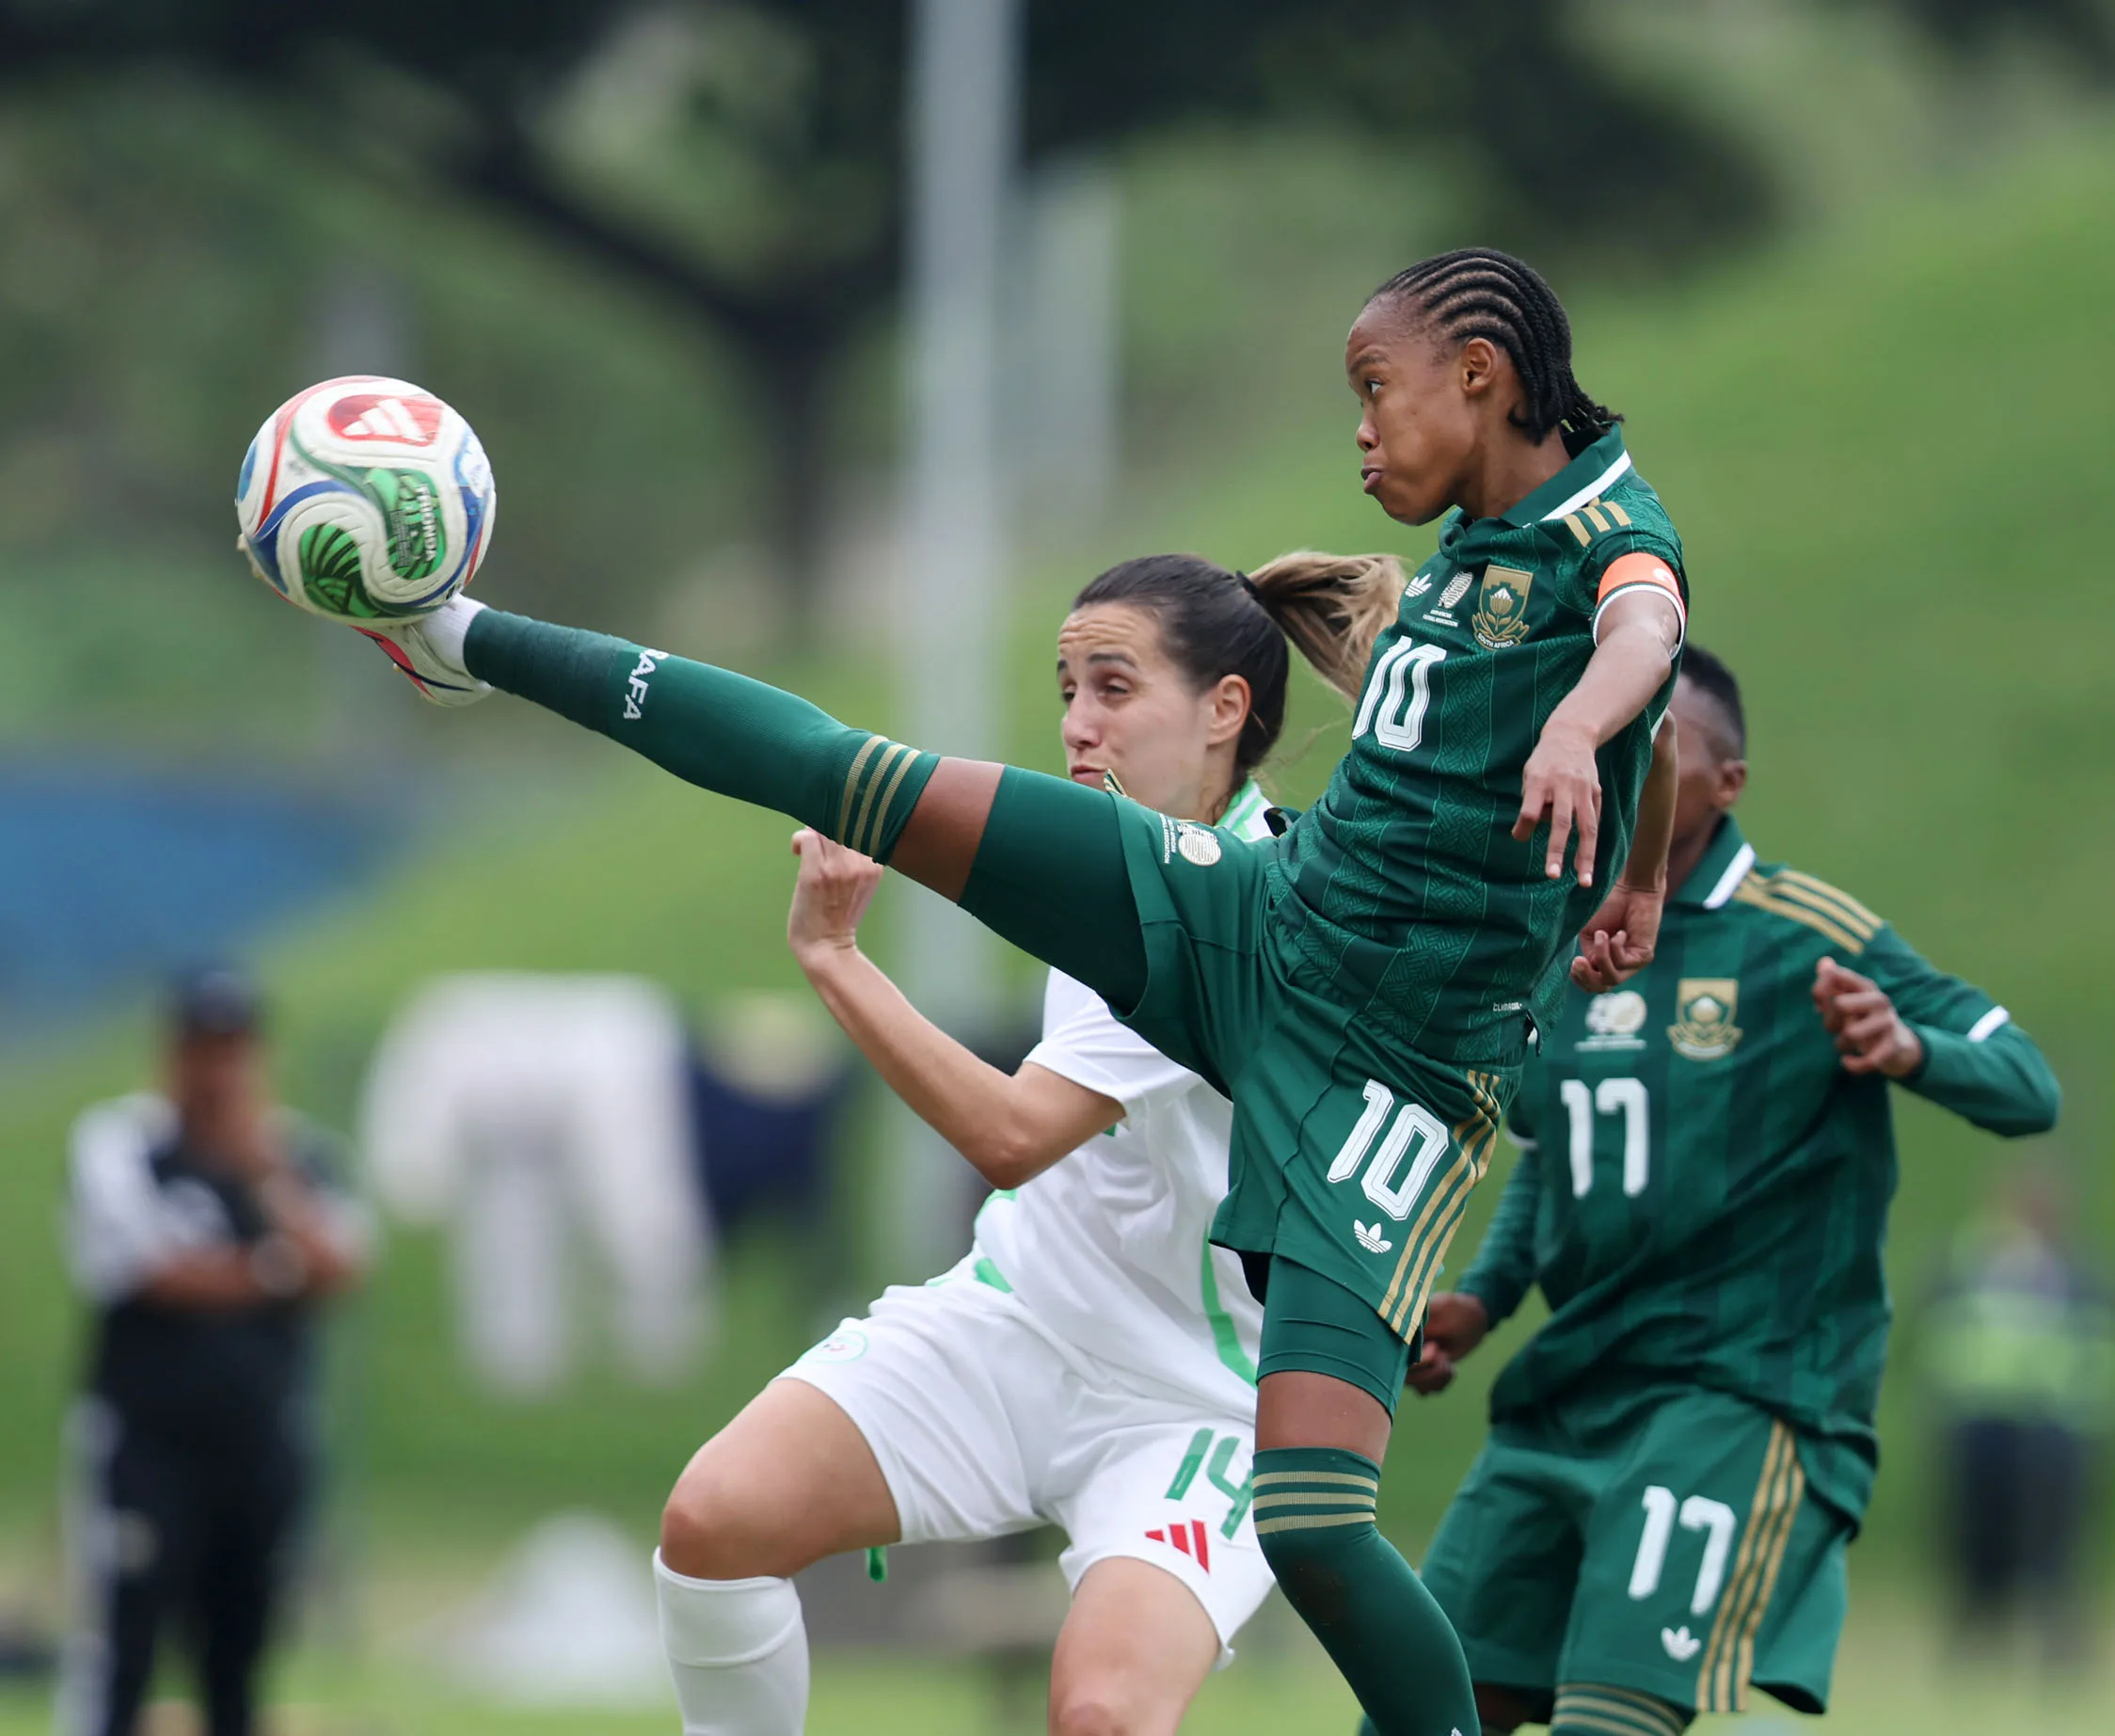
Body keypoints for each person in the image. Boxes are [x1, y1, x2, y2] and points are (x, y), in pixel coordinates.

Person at [320, 247, 1691, 1735]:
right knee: (850, 776)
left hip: (1327, 1178)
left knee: (1265, 1570)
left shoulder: (1605, 527)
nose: (1358, 429)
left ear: (1479, 376)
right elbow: (1649, 718)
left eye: (1375, 389)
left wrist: (1582, 738)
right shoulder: (1435, 597)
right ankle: (464, 637)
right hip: (1204, 1023)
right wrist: (1639, 870)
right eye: (1070, 686)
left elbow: (1647, 635)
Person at [652, 554, 1368, 1735]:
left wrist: (836, 960)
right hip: (1015, 1319)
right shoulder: (1116, 854)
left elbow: (1011, 1135)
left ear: (1225, 711)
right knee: (716, 1524)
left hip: (1192, 1404)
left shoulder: (1241, 902)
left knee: (1102, 1716)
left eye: (1114, 688)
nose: (1078, 726)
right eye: (1066, 687)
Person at [1403, 645, 2062, 1736]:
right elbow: (1553, 1152)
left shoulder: (1804, 933)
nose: (1631, 768)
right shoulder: (1557, 940)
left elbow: (2030, 1086)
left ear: (1727, 783)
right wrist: (1483, 1301)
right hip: (1567, 1397)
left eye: (1661, 746)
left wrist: (1907, 1049)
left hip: (1734, 1398)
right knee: (1421, 1705)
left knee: (1608, 1721)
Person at [57, 966, 370, 1736]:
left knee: (238, 1652)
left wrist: (261, 1172)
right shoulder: (123, 1143)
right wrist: (275, 1271)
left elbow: (342, 1264)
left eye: (235, 1049)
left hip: (257, 1442)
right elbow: (151, 1270)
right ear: (173, 1052)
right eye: (204, 1048)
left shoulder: (292, 1156)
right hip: (147, 1442)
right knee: (124, 1643)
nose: (219, 1070)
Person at [1921, 1163, 2112, 1667]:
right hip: (1981, 1426)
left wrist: (2082, 1422)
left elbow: (2094, 1351)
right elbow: (1942, 1338)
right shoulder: (1971, 1263)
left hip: (2053, 1431)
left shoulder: (2076, 1273)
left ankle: (2057, 1650)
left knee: (2053, 1548)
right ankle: (1975, 1647)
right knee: (1976, 1540)